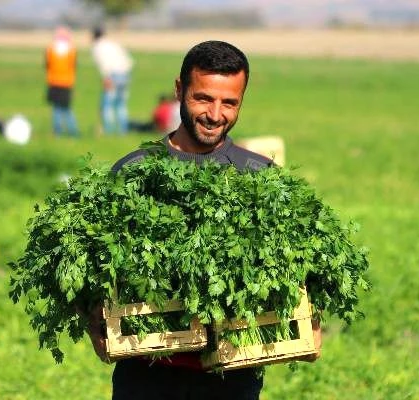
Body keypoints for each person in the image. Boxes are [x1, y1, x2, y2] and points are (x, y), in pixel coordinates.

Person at [81, 40, 322, 400]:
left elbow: (304, 262)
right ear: (179, 89)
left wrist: (312, 321)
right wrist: (92, 321)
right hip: (147, 374)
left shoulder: (259, 177)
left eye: (229, 103)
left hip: (233, 376)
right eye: (203, 99)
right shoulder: (135, 172)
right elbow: (87, 258)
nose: (215, 114)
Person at [91, 26, 133, 135]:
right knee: (121, 104)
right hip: (125, 74)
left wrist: (106, 77)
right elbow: (128, 60)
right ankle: (123, 130)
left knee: (107, 105)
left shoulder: (97, 47)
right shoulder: (113, 44)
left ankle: (108, 130)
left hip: (112, 75)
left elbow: (103, 63)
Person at [45, 26, 80, 137]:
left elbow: (47, 64)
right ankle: (74, 132)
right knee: (67, 108)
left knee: (56, 109)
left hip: (54, 81)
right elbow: (73, 65)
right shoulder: (71, 50)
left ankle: (57, 133)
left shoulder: (51, 49)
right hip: (67, 82)